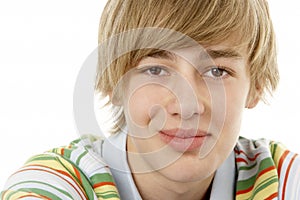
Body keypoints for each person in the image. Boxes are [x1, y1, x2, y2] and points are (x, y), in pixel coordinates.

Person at [1, 0, 300, 199]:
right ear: (115, 83)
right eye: (155, 69)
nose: (186, 106)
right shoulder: (51, 186)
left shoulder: (285, 181)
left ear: (256, 85)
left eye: (217, 71)